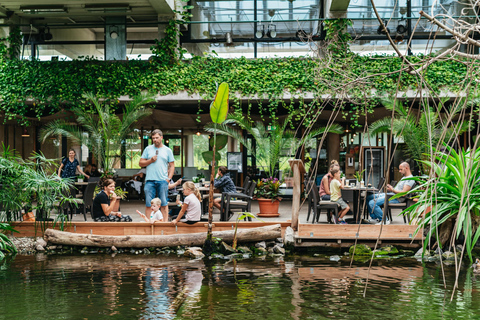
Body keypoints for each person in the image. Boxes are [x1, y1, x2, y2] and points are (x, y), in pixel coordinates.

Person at [139, 129, 175, 221]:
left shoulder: (167, 150)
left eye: (157, 138)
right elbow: (141, 163)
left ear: (161, 137)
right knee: (148, 203)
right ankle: (148, 223)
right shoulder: (148, 149)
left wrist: (169, 179)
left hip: (163, 180)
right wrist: (150, 160)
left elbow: (172, 165)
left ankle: (165, 223)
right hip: (149, 180)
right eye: (153, 138)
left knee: (163, 203)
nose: (155, 140)